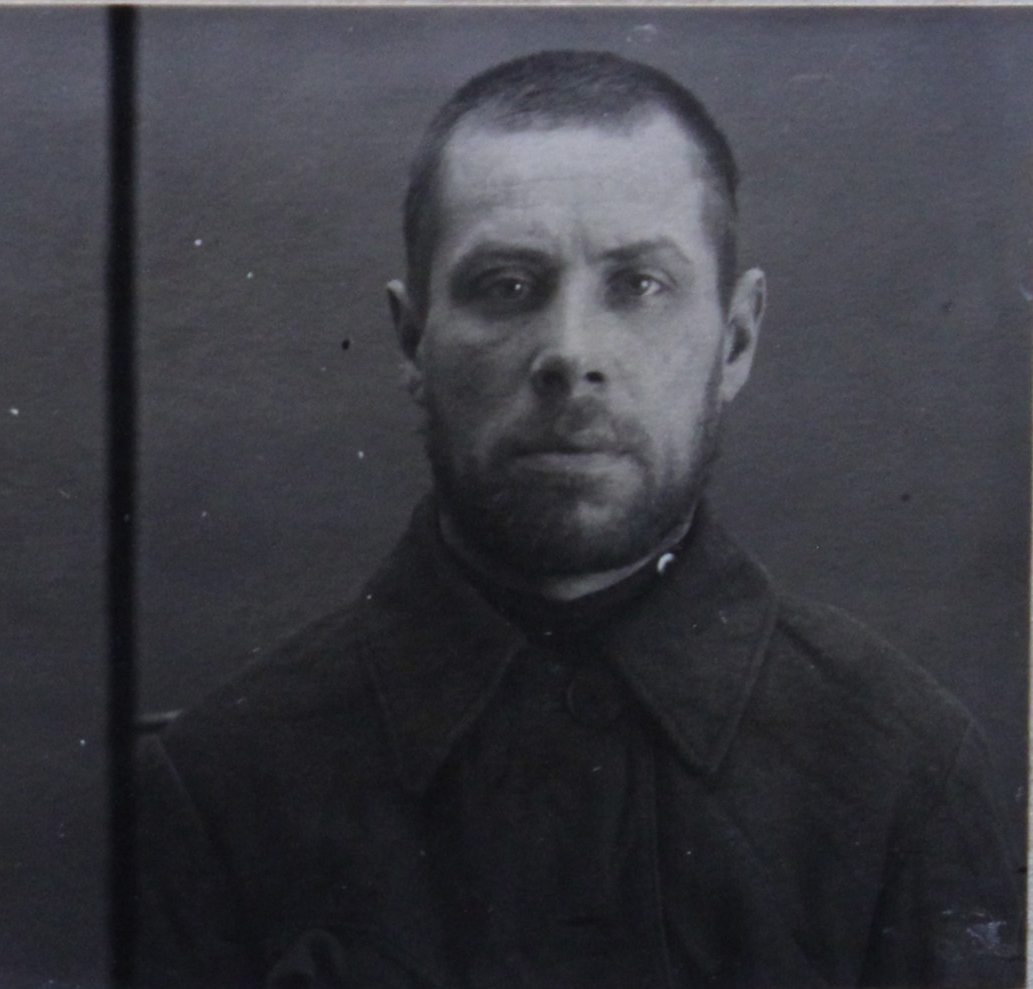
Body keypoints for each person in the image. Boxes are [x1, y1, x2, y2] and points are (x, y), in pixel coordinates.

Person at [137, 50, 1023, 988]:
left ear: (734, 340)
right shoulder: (216, 791)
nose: (569, 352)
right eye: (506, 286)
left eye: (639, 285)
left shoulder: (907, 776)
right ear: (412, 339)